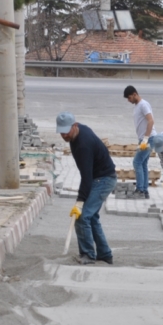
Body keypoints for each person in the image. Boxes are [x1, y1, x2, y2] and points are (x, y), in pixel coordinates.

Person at [57, 112, 116, 265]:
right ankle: (104, 254)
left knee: (82, 217)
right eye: (61, 132)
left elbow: (86, 177)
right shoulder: (78, 132)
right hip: (100, 176)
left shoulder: (83, 145)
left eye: (66, 131)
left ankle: (88, 255)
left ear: (75, 125)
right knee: (92, 217)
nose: (64, 135)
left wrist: (79, 201)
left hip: (103, 179)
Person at [124, 85, 155, 199]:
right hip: (143, 139)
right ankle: (145, 190)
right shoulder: (137, 106)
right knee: (143, 164)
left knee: (137, 162)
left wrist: (146, 139)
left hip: (149, 138)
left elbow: (151, 121)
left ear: (134, 94)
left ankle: (140, 190)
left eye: (129, 97)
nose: (129, 100)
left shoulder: (143, 105)